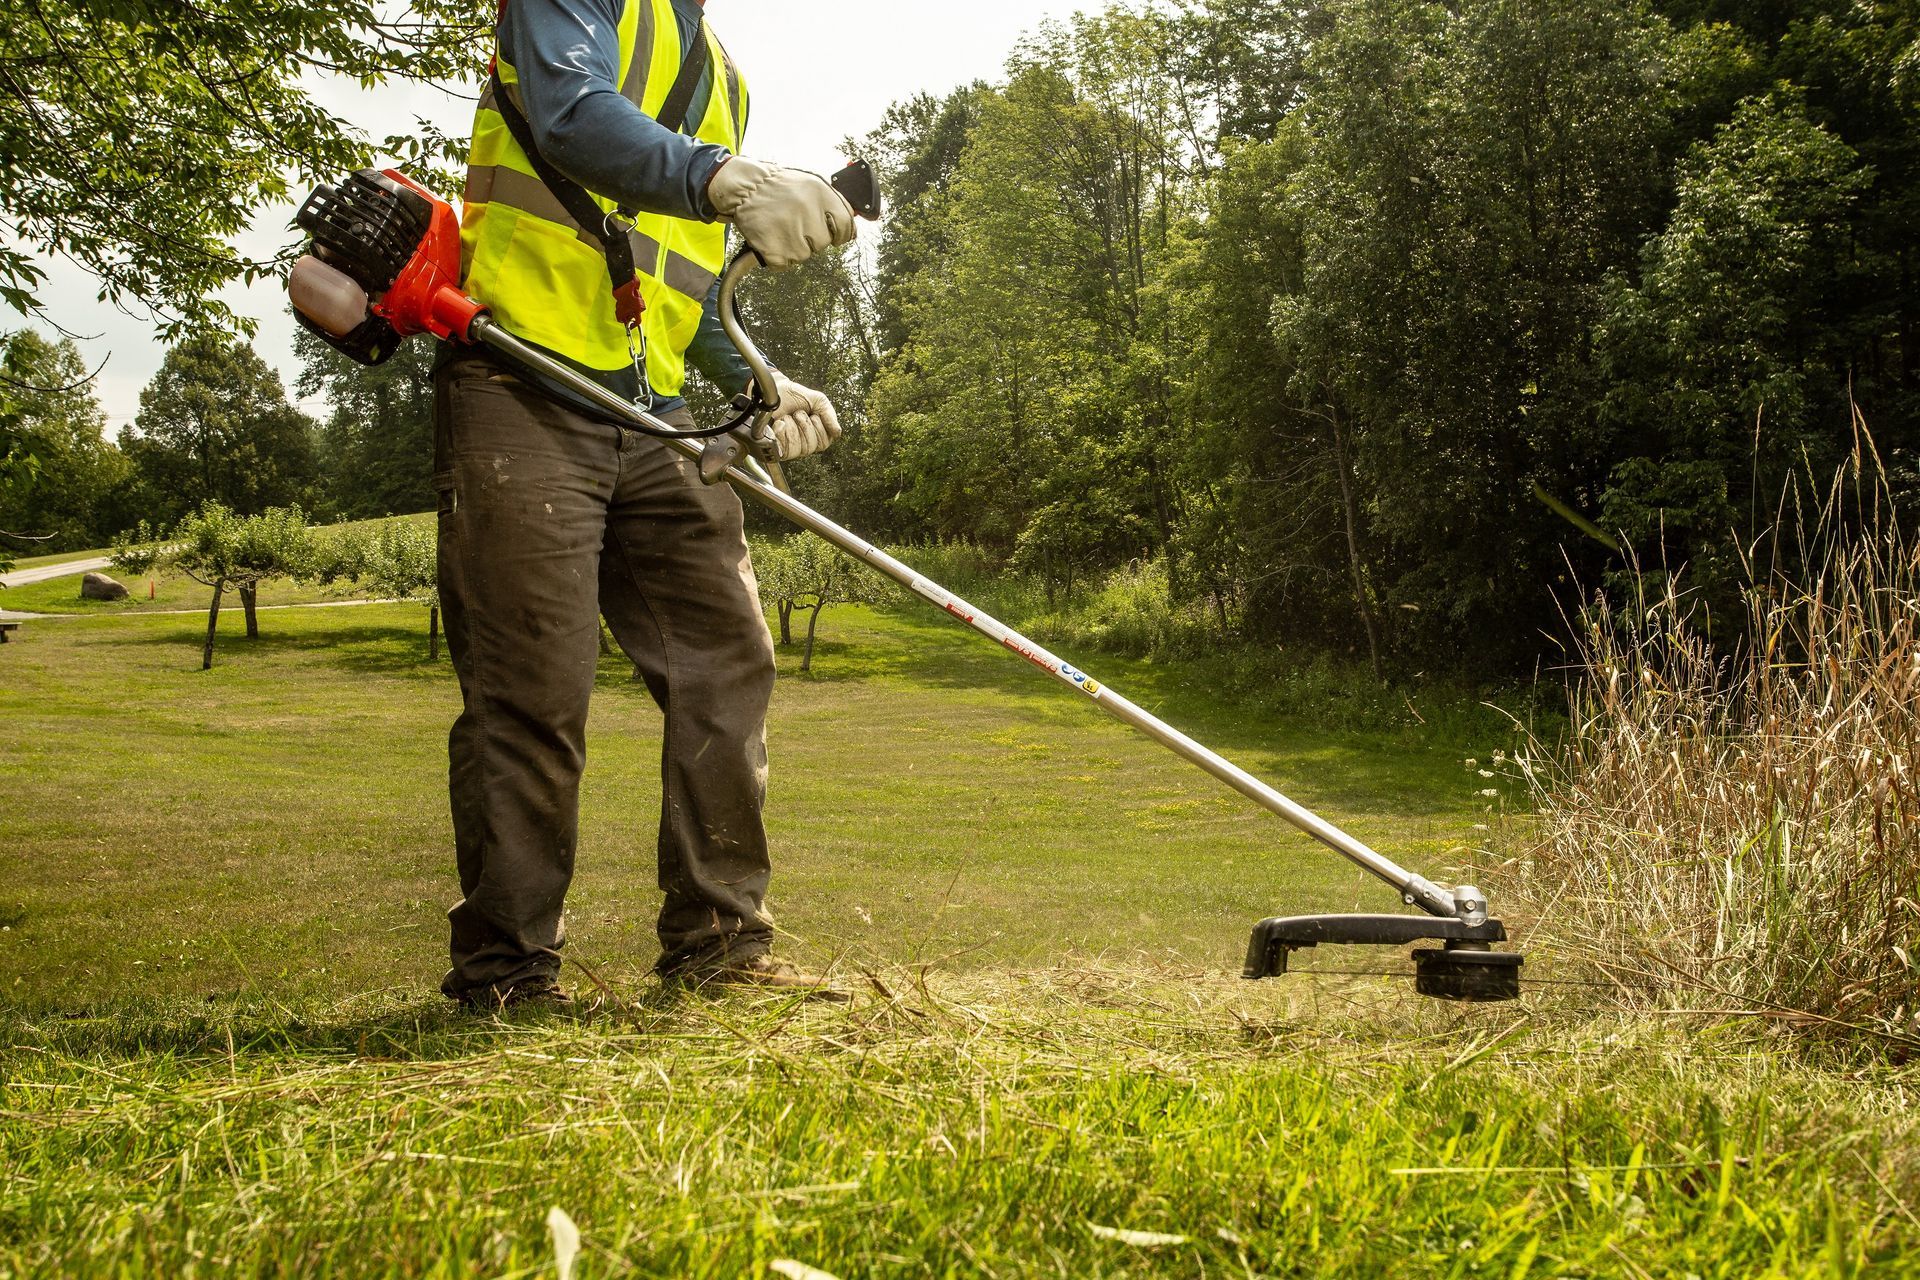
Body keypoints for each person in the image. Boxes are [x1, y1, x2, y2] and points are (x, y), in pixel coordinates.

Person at [435, 0, 854, 1009]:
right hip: (521, 379)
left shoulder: (724, 76)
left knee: (727, 653)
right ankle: (507, 974)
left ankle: (720, 947)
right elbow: (574, 114)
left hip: (654, 414)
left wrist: (762, 380)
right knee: (534, 688)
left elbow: (681, 274)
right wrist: (728, 176)